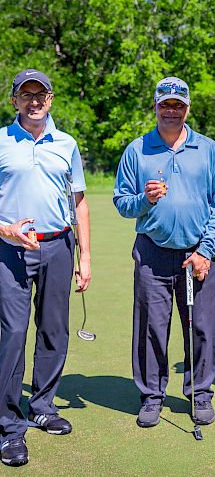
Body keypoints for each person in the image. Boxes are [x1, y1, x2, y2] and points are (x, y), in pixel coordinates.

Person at [113, 76, 215, 429]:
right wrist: (144, 200)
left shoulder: (208, 149)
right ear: (155, 106)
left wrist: (206, 250)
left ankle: (200, 392)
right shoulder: (137, 149)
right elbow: (122, 202)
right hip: (152, 253)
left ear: (187, 108)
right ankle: (152, 396)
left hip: (197, 254)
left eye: (178, 105)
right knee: (150, 327)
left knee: (201, 327)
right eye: (165, 104)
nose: (171, 111)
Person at [0, 69, 91, 467]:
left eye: (41, 94)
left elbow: (80, 201)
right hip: (10, 250)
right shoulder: (2, 141)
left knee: (54, 329)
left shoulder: (66, 144)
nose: (34, 101)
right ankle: (8, 426)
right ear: (15, 100)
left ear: (50, 99)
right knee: (14, 332)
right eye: (26, 94)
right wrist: (4, 228)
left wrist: (84, 255)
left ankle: (41, 406)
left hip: (59, 245)